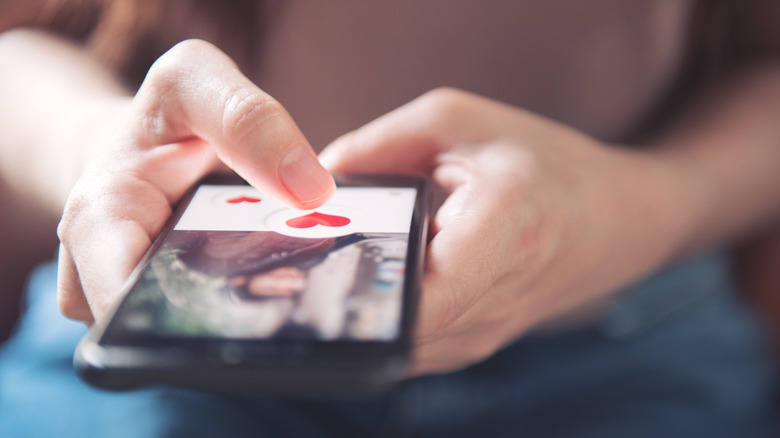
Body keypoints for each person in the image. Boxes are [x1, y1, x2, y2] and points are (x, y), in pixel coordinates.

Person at [0, 0, 779, 436]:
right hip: (177, 316)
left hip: (629, 329)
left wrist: (647, 206)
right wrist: (98, 147)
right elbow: (19, 47)